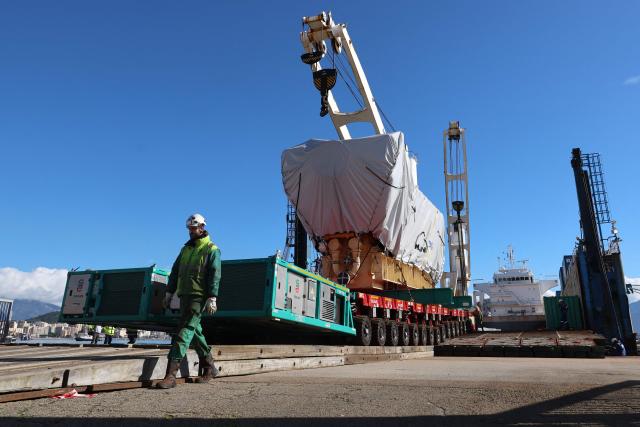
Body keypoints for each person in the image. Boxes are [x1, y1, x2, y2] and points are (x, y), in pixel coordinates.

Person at [157, 213, 222, 389]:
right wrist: (169, 293)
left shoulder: (211, 249)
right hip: (184, 294)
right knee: (195, 331)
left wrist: (212, 296)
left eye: (193, 229)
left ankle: (170, 375)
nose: (190, 232)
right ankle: (210, 367)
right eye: (189, 229)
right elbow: (175, 270)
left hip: (198, 297)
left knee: (184, 330)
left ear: (202, 227)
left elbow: (214, 275)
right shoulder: (185, 249)